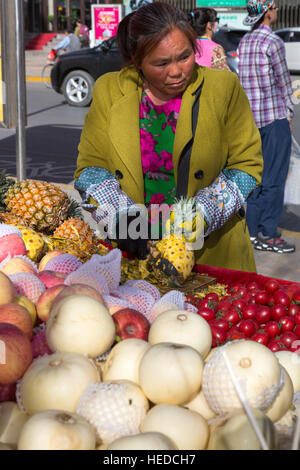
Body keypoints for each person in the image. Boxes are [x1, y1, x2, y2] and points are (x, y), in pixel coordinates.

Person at [74, 2, 263, 271]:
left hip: (213, 255)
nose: (175, 71)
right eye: (161, 63)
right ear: (137, 61)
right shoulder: (110, 90)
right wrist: (122, 218)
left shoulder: (224, 88)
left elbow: (246, 165)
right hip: (138, 255)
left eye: (184, 57)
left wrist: (198, 216)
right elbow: (90, 167)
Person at [238, 0, 295, 253]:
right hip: (273, 118)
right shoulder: (272, 41)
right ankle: (268, 233)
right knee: (275, 178)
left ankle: (251, 232)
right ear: (269, 12)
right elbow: (283, 82)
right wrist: (289, 112)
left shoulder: (245, 42)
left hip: (250, 121)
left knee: (256, 178)